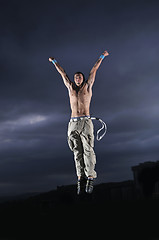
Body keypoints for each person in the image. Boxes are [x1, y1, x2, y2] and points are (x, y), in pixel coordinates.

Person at [49, 50, 109, 194]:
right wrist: (54, 62)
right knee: (77, 151)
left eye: (80, 77)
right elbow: (63, 73)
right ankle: (80, 177)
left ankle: (90, 176)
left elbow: (94, 69)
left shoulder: (88, 87)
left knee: (88, 149)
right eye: (76, 77)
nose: (77, 78)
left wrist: (102, 56)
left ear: (83, 79)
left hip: (85, 121)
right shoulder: (70, 88)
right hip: (73, 122)